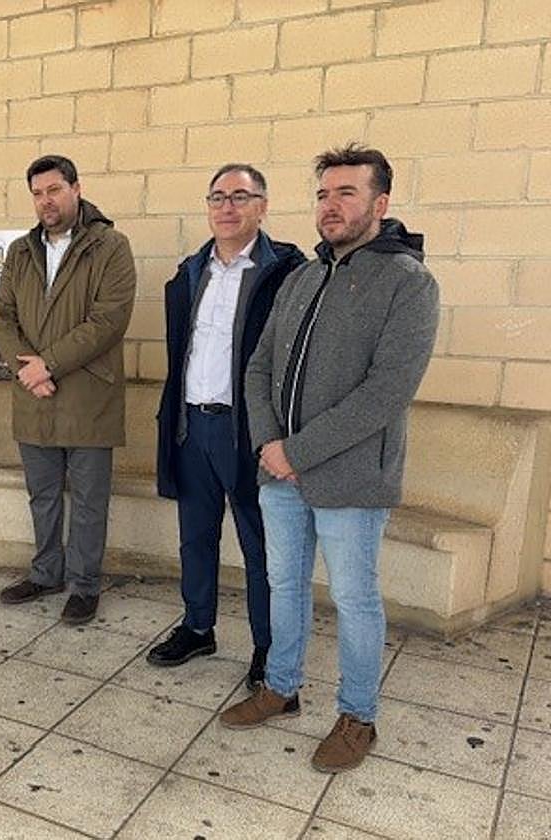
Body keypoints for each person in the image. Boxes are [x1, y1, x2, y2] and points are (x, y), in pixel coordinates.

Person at [220, 144, 439, 774]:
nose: (331, 206)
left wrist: (297, 450)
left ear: (380, 202)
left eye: (346, 193)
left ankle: (357, 717)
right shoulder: (304, 276)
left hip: (349, 475)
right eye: (323, 194)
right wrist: (269, 443)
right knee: (284, 584)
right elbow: (258, 365)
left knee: (354, 598)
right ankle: (281, 687)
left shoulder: (408, 282)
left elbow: (387, 392)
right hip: (279, 469)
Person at [148, 164, 305, 690]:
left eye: (240, 196)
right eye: (218, 197)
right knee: (195, 537)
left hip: (249, 432)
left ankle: (267, 646)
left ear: (262, 206)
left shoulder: (286, 273)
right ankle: (198, 626)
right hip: (193, 425)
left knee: (261, 547)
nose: (227, 207)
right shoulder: (193, 272)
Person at [0, 155, 136, 626]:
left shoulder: (110, 246)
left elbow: (107, 322)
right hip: (35, 394)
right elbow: (1, 316)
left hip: (88, 395)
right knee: (44, 495)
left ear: (76, 188)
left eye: (54, 190)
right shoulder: (20, 251)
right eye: (37, 193)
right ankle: (46, 573)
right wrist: (29, 368)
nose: (45, 201)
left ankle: (86, 585)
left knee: (90, 500)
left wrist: (46, 364)